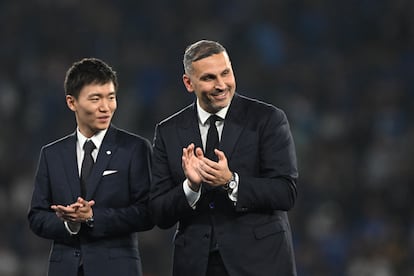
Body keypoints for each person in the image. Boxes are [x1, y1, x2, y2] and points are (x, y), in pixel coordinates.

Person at [150, 40, 299, 276]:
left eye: (226, 73)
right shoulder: (168, 131)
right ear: (189, 83)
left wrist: (231, 181)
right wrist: (190, 187)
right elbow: (159, 212)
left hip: (260, 262)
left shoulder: (267, 119)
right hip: (197, 265)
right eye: (209, 78)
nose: (221, 85)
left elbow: (286, 192)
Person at [28, 58, 154, 276]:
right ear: (72, 102)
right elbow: (37, 217)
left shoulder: (134, 148)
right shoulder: (52, 154)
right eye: (95, 98)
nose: (106, 107)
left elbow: (147, 213)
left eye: (111, 98)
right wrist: (70, 225)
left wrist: (93, 216)